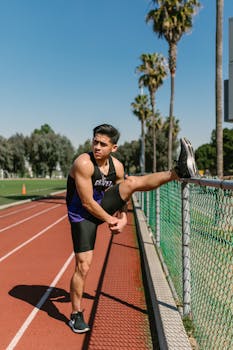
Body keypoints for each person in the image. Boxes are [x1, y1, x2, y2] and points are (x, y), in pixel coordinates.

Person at [66, 123, 198, 333]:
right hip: (82, 216)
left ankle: (177, 171)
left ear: (114, 148)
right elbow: (87, 203)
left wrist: (124, 217)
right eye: (95, 142)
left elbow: (122, 194)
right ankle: (76, 314)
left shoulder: (117, 166)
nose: (97, 147)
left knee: (131, 182)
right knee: (83, 265)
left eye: (103, 144)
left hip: (103, 207)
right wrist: (111, 220)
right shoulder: (83, 163)